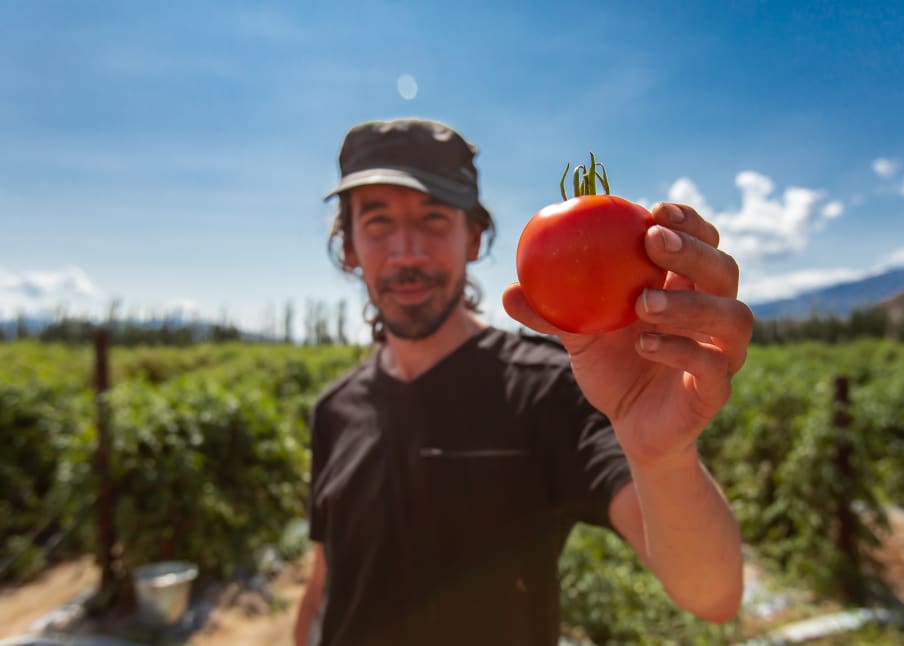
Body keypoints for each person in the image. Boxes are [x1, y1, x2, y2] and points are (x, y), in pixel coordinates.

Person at [294, 117, 753, 646]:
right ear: (348, 247)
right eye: (376, 222)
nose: (407, 251)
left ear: (474, 237)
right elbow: (325, 582)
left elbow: (712, 594)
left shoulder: (549, 390)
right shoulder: (334, 409)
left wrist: (661, 456)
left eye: (434, 218)